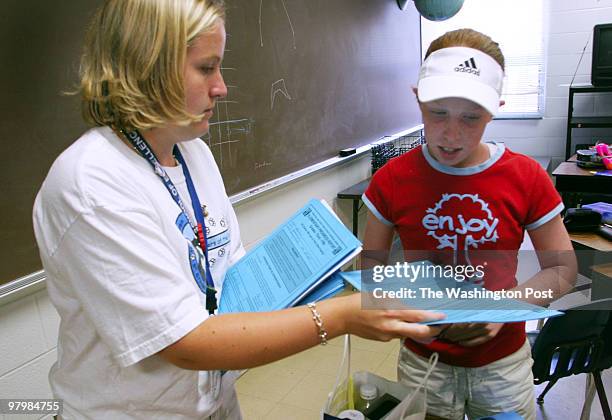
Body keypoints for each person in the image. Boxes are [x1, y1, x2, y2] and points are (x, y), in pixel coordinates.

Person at [32, 1, 446, 418]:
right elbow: (186, 343)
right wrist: (339, 317)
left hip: (213, 403)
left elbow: (227, 275)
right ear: (148, 66)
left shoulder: (191, 152)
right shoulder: (92, 181)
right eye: (205, 68)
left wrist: (314, 280)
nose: (221, 88)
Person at [361, 28, 577, 420]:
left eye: (471, 118)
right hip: (424, 364)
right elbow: (371, 272)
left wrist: (499, 308)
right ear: (417, 99)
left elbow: (562, 269)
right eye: (437, 112)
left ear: (496, 108)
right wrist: (411, 312)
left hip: (503, 366)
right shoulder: (391, 180)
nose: (451, 134)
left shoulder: (525, 176)